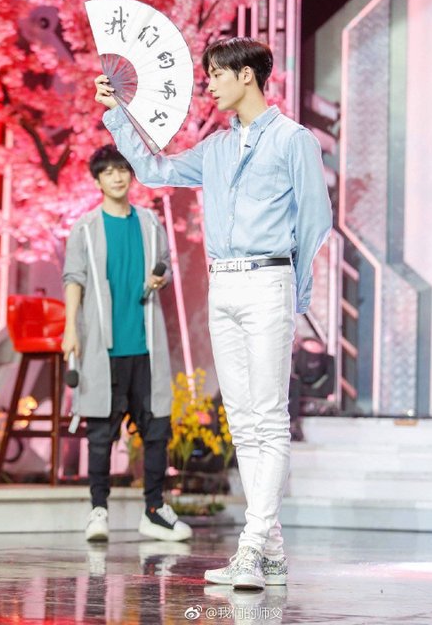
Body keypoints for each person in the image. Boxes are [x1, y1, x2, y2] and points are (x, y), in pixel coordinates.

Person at [94, 36, 332, 589]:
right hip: (223, 285)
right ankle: (271, 550)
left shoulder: (293, 140)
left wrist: (296, 290)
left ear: (246, 75)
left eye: (216, 76)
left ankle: (252, 546)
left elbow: (316, 220)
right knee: (243, 423)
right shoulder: (217, 147)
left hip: (268, 279)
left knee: (268, 418)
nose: (209, 86)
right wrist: (117, 114)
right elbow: (154, 170)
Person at [62, 144, 192, 544]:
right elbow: (74, 279)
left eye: (123, 169)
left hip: (146, 346)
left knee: (156, 429)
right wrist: (70, 329)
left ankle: (154, 510)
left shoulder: (150, 223)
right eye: (109, 172)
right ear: (98, 180)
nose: (118, 177)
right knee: (100, 432)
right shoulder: (85, 228)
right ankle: (98, 511)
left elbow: (165, 267)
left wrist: (160, 279)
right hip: (103, 347)